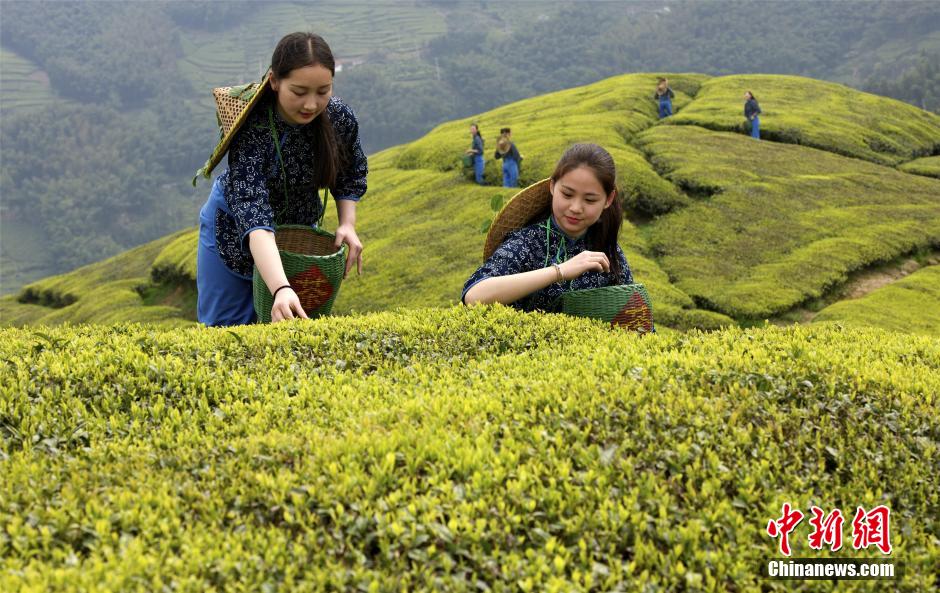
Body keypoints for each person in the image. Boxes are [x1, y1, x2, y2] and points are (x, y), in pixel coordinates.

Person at [195, 32, 368, 327]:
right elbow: (253, 214)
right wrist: (281, 287)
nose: (312, 104)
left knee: (292, 330)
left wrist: (347, 223)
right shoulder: (252, 127)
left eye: (323, 91)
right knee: (227, 332)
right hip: (235, 230)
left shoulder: (339, 118)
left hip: (297, 231)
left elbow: (350, 172)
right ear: (274, 81)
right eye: (299, 92)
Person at [463, 143, 635, 312]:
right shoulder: (528, 242)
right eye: (567, 194)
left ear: (608, 200)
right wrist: (559, 271)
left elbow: (637, 319)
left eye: (590, 200)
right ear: (552, 186)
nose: (575, 208)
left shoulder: (609, 253)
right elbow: (473, 296)